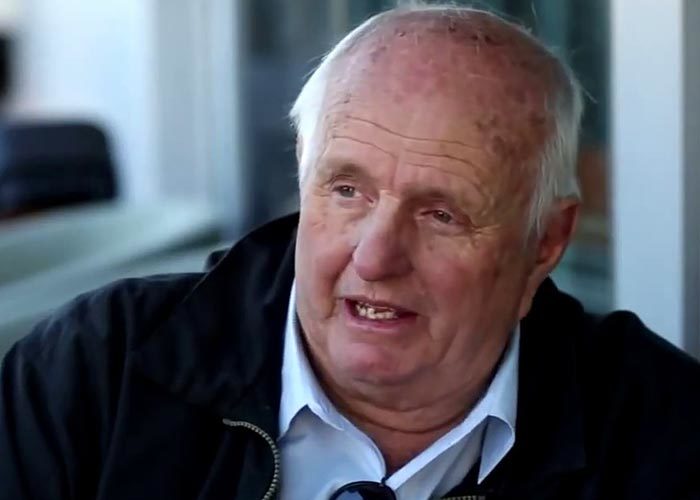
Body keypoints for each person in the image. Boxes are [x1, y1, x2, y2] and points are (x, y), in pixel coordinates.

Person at [1, 4, 699, 500]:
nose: (375, 258)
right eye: (346, 191)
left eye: (441, 213)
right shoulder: (95, 375)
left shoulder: (665, 433)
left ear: (544, 242)